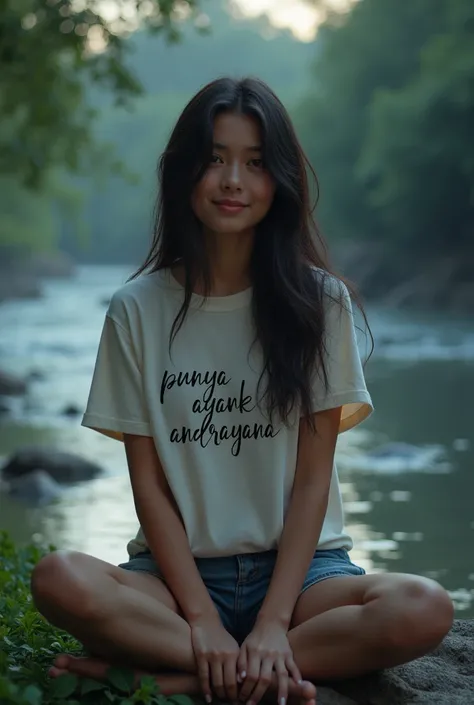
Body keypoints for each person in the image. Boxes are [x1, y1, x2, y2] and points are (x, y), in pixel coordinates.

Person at [30, 77, 453, 705]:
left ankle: (173, 679)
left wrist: (275, 621)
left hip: (304, 577)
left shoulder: (320, 303)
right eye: (215, 159)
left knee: (424, 607)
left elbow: (312, 481)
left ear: (279, 180)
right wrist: (201, 618)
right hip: (174, 582)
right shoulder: (135, 309)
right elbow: (148, 485)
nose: (234, 180)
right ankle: (242, 667)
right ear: (184, 173)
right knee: (59, 578)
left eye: (255, 163)